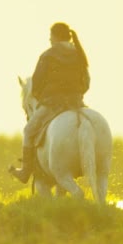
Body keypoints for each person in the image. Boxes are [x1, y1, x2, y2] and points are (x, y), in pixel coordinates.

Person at [9, 22, 90, 183]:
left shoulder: (48, 55)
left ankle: (25, 171)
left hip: (53, 104)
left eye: (50, 36)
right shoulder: (79, 54)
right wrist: (76, 95)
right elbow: (86, 82)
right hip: (77, 103)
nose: (49, 39)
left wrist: (43, 97)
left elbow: (36, 84)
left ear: (55, 36)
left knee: (28, 130)